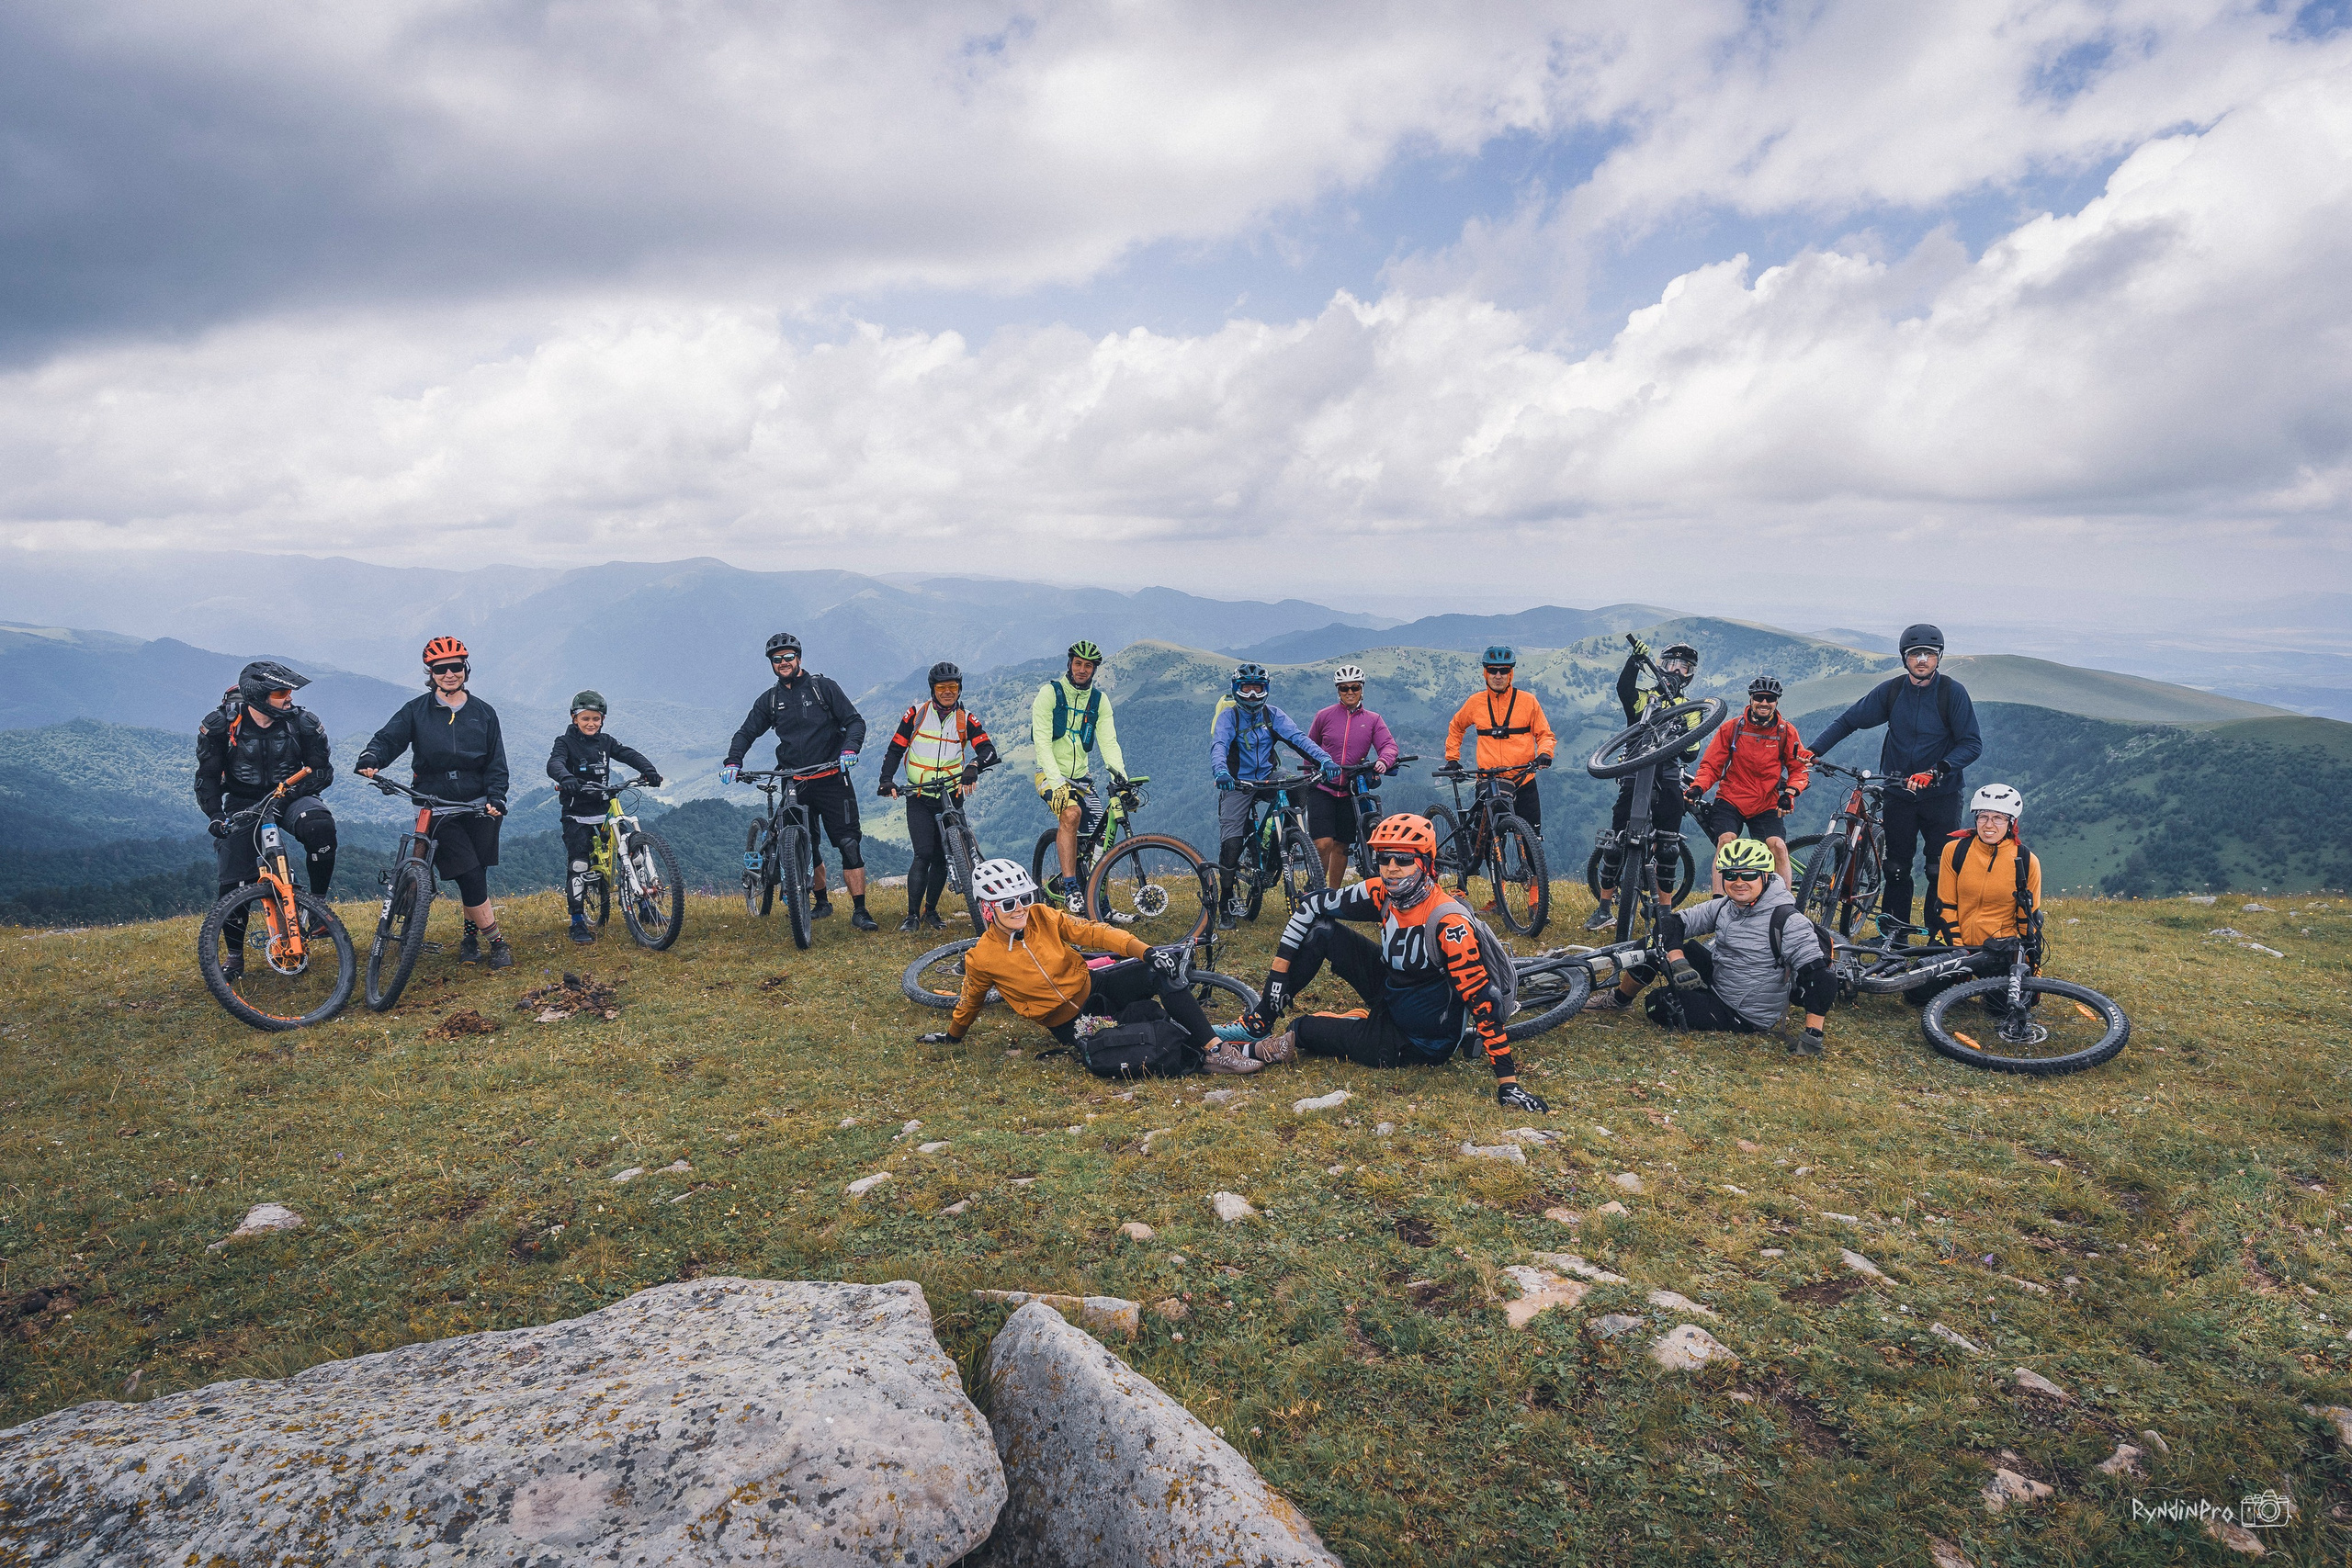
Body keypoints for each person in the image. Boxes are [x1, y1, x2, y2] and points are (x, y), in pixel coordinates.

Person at [1231, 815, 1552, 1111]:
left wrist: (1508, 1084)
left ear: (1425, 864)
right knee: (1322, 933)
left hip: (1417, 1039)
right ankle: (1259, 1022)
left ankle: (1260, 1048)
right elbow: (1311, 906)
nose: (1392, 868)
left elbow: (1483, 1002)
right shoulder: (1382, 894)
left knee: (1303, 1029)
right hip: (1391, 990)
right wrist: (1277, 976)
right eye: (1384, 858)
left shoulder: (1448, 922)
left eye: (1404, 859)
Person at [914, 859, 1256, 1072]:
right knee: (1148, 1025)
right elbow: (969, 1001)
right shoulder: (982, 958)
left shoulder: (1042, 916)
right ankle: (1213, 1045)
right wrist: (952, 1036)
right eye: (1007, 903)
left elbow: (1092, 932)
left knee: (1159, 972)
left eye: (1025, 897)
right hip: (1070, 1024)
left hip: (1095, 987)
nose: (1020, 907)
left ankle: (1217, 1050)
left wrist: (1145, 951)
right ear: (987, 909)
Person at [1804, 624, 1982, 942]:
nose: (1923, 660)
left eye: (1929, 654)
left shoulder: (1951, 693)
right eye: (1916, 654)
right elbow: (1849, 721)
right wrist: (1814, 750)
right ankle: (1894, 938)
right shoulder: (1892, 691)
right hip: (1898, 792)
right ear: (1905, 659)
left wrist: (1937, 770)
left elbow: (1971, 743)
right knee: (1896, 867)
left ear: (1939, 658)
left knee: (1937, 870)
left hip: (1941, 795)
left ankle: (1936, 941)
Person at [1582, 839, 1835, 1055]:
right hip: (1720, 981)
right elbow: (1671, 924)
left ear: (1765, 876)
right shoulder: (1727, 905)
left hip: (1743, 1012)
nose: (1739, 882)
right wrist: (1677, 959)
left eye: (1748, 874)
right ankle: (1618, 1000)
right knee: (1652, 943)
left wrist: (1812, 1035)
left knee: (1657, 1004)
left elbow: (1821, 977)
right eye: (1730, 875)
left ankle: (1679, 1000)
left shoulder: (1787, 920)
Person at [356, 637, 513, 968]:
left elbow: (496, 762)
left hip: (480, 805)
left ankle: (469, 938)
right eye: (441, 669)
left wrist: (497, 796)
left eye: (455, 667)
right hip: (436, 805)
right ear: (431, 673)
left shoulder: (484, 713)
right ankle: (497, 942)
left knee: (478, 874)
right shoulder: (416, 711)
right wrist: (372, 757)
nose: (449, 674)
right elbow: (388, 739)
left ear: (465, 670)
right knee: (469, 873)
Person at [722, 632, 876, 931]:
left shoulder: (823, 688)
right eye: (777, 659)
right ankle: (821, 902)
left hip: (832, 778)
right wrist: (733, 760)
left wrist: (849, 749)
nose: (783, 663)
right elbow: (746, 732)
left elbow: (855, 721)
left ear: (799, 658)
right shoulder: (771, 699)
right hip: (794, 782)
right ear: (772, 664)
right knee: (808, 846)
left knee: (848, 844)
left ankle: (860, 910)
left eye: (788, 657)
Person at [195, 660, 336, 976]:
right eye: (281, 692)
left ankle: (317, 906)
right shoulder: (221, 725)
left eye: (289, 691)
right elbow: (206, 776)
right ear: (258, 695)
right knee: (234, 879)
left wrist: (290, 792)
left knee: (320, 827)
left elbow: (322, 770)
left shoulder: (303, 722)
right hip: (244, 802)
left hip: (291, 794)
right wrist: (216, 816)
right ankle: (234, 956)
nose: (289, 698)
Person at [1588, 637, 1705, 931]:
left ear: (1690, 675)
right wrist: (1634, 662)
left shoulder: (1690, 707)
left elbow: (1692, 752)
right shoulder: (1646, 698)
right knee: (1615, 839)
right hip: (1634, 769)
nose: (1676, 671)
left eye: (1684, 667)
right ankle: (1604, 908)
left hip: (1667, 774)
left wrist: (1678, 732)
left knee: (1668, 846)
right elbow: (1624, 691)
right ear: (1661, 667)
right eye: (1670, 665)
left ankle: (1664, 914)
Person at [1210, 662, 1339, 926]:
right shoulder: (1229, 717)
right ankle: (1225, 901)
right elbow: (1219, 746)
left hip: (1270, 774)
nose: (1253, 694)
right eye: (1247, 688)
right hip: (1237, 781)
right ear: (1237, 689)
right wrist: (1221, 773)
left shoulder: (1273, 715)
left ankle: (1288, 839)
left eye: (1258, 688)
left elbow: (1299, 739)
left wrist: (1325, 760)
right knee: (1232, 844)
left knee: (1298, 784)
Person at [877, 661, 1001, 931]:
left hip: (951, 794)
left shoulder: (966, 720)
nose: (948, 692)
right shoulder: (916, 715)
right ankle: (911, 915)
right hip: (919, 795)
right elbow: (896, 749)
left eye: (953, 687)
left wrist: (974, 766)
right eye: (942, 687)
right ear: (933, 689)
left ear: (959, 689)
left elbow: (989, 750)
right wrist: (886, 780)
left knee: (943, 855)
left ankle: (930, 911)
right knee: (923, 854)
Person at [545, 691, 662, 946]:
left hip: (606, 810)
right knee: (579, 864)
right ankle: (577, 921)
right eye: (585, 718)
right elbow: (554, 763)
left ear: (602, 720)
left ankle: (644, 906)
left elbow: (628, 754)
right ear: (574, 718)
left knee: (635, 853)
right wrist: (566, 778)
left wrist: (649, 770)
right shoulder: (564, 742)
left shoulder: (606, 742)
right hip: (577, 813)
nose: (591, 723)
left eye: (596, 719)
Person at [1909, 784, 2041, 1005]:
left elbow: (2028, 919)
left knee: (2003, 1007)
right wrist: (1960, 951)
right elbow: (1945, 906)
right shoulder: (1955, 851)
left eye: (1998, 818)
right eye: (1983, 817)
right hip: (1955, 942)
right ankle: (1960, 976)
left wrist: (2030, 966)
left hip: (1998, 949)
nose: (1989, 825)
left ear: (2011, 823)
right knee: (1917, 994)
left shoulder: (2027, 862)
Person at [1686, 674, 1810, 894]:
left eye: (1769, 698)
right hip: (1731, 798)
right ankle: (1718, 903)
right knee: (1726, 843)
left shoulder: (1785, 731)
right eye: (1759, 697)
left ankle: (1784, 903)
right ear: (1751, 699)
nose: (1764, 702)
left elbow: (1798, 768)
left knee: (1778, 847)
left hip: (1766, 802)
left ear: (1776, 702)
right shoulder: (1732, 729)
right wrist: (1698, 787)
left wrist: (1790, 792)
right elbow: (1711, 765)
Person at [1030, 639, 1128, 908]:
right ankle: (1072, 888)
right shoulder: (1049, 694)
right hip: (1048, 774)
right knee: (1071, 814)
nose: (1082, 670)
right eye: (1078, 664)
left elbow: (1109, 742)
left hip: (1082, 778)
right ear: (1069, 664)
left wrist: (1121, 778)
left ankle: (1100, 901)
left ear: (1094, 670)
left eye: (1088, 666)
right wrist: (1057, 782)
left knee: (1104, 833)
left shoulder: (1098, 700)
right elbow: (1041, 742)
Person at [1306, 664, 1397, 887]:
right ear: (1338, 690)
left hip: (1351, 791)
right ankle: (1317, 888)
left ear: (1361, 689)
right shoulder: (1324, 716)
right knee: (1323, 843)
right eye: (1344, 688)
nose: (1349, 692)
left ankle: (1333, 894)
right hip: (1323, 789)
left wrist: (1383, 761)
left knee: (1342, 845)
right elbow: (1308, 747)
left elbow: (1388, 746)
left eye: (1354, 687)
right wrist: (1311, 772)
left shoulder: (1373, 719)